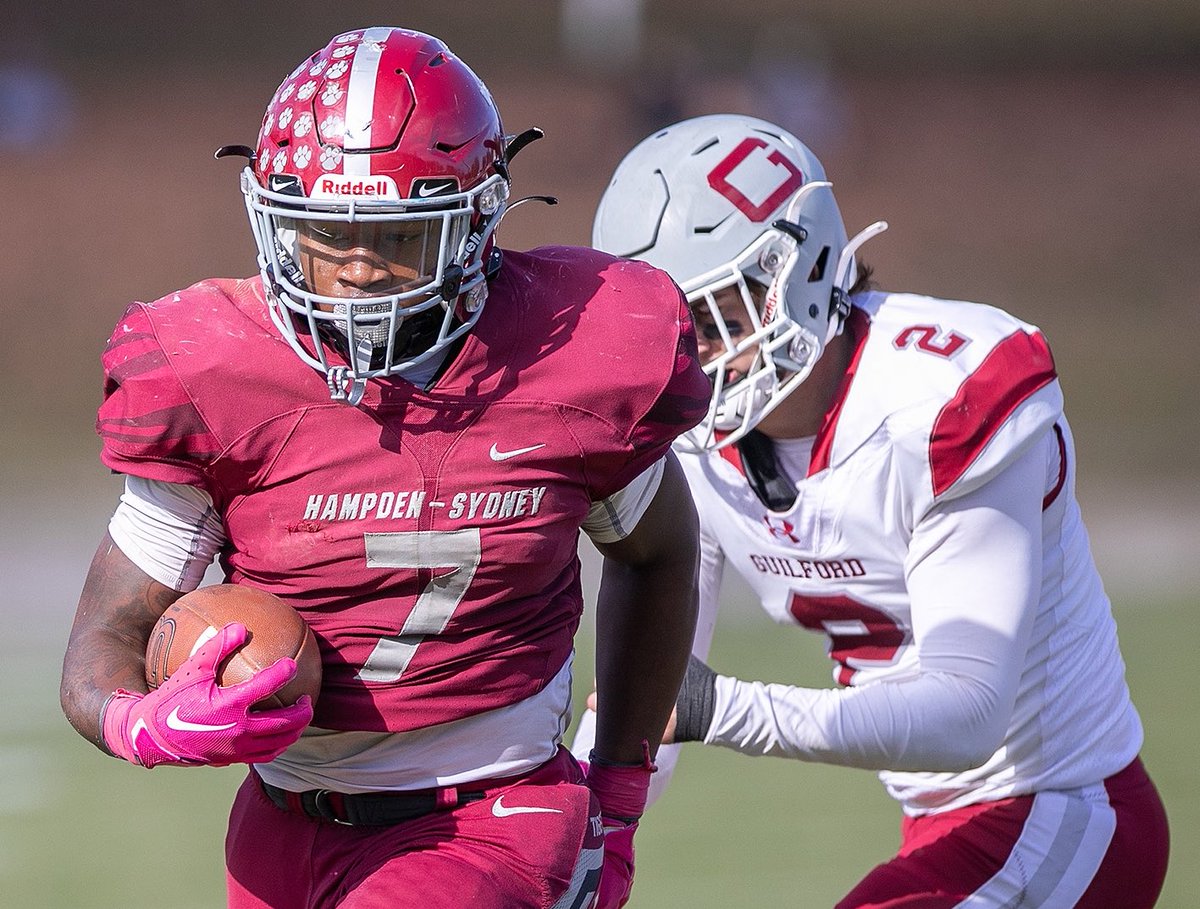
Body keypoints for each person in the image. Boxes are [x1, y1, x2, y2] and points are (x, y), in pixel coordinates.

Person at [59, 27, 710, 909]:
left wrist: (620, 790)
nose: (359, 273)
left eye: (397, 235)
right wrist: (141, 722)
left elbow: (659, 550)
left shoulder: (574, 354)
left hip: (489, 814)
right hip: (280, 824)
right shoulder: (212, 375)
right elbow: (104, 641)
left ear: (477, 220)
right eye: (328, 232)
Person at [573, 114, 1169, 908]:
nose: (697, 353)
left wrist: (722, 707)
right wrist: (569, 851)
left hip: (1063, 809)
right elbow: (647, 699)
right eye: (677, 325)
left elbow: (966, 710)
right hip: (944, 828)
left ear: (806, 269)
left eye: (724, 313)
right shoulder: (687, 436)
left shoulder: (939, 397)